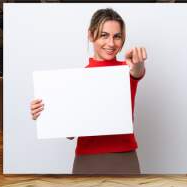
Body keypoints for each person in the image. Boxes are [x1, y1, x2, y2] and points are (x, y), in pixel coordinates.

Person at [30, 8, 147, 174]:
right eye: (104, 35)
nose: (111, 43)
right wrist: (44, 113)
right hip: (86, 160)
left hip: (125, 159)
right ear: (91, 35)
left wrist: (138, 62)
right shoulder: (76, 79)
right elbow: (70, 133)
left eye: (117, 36)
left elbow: (137, 70)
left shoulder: (126, 69)